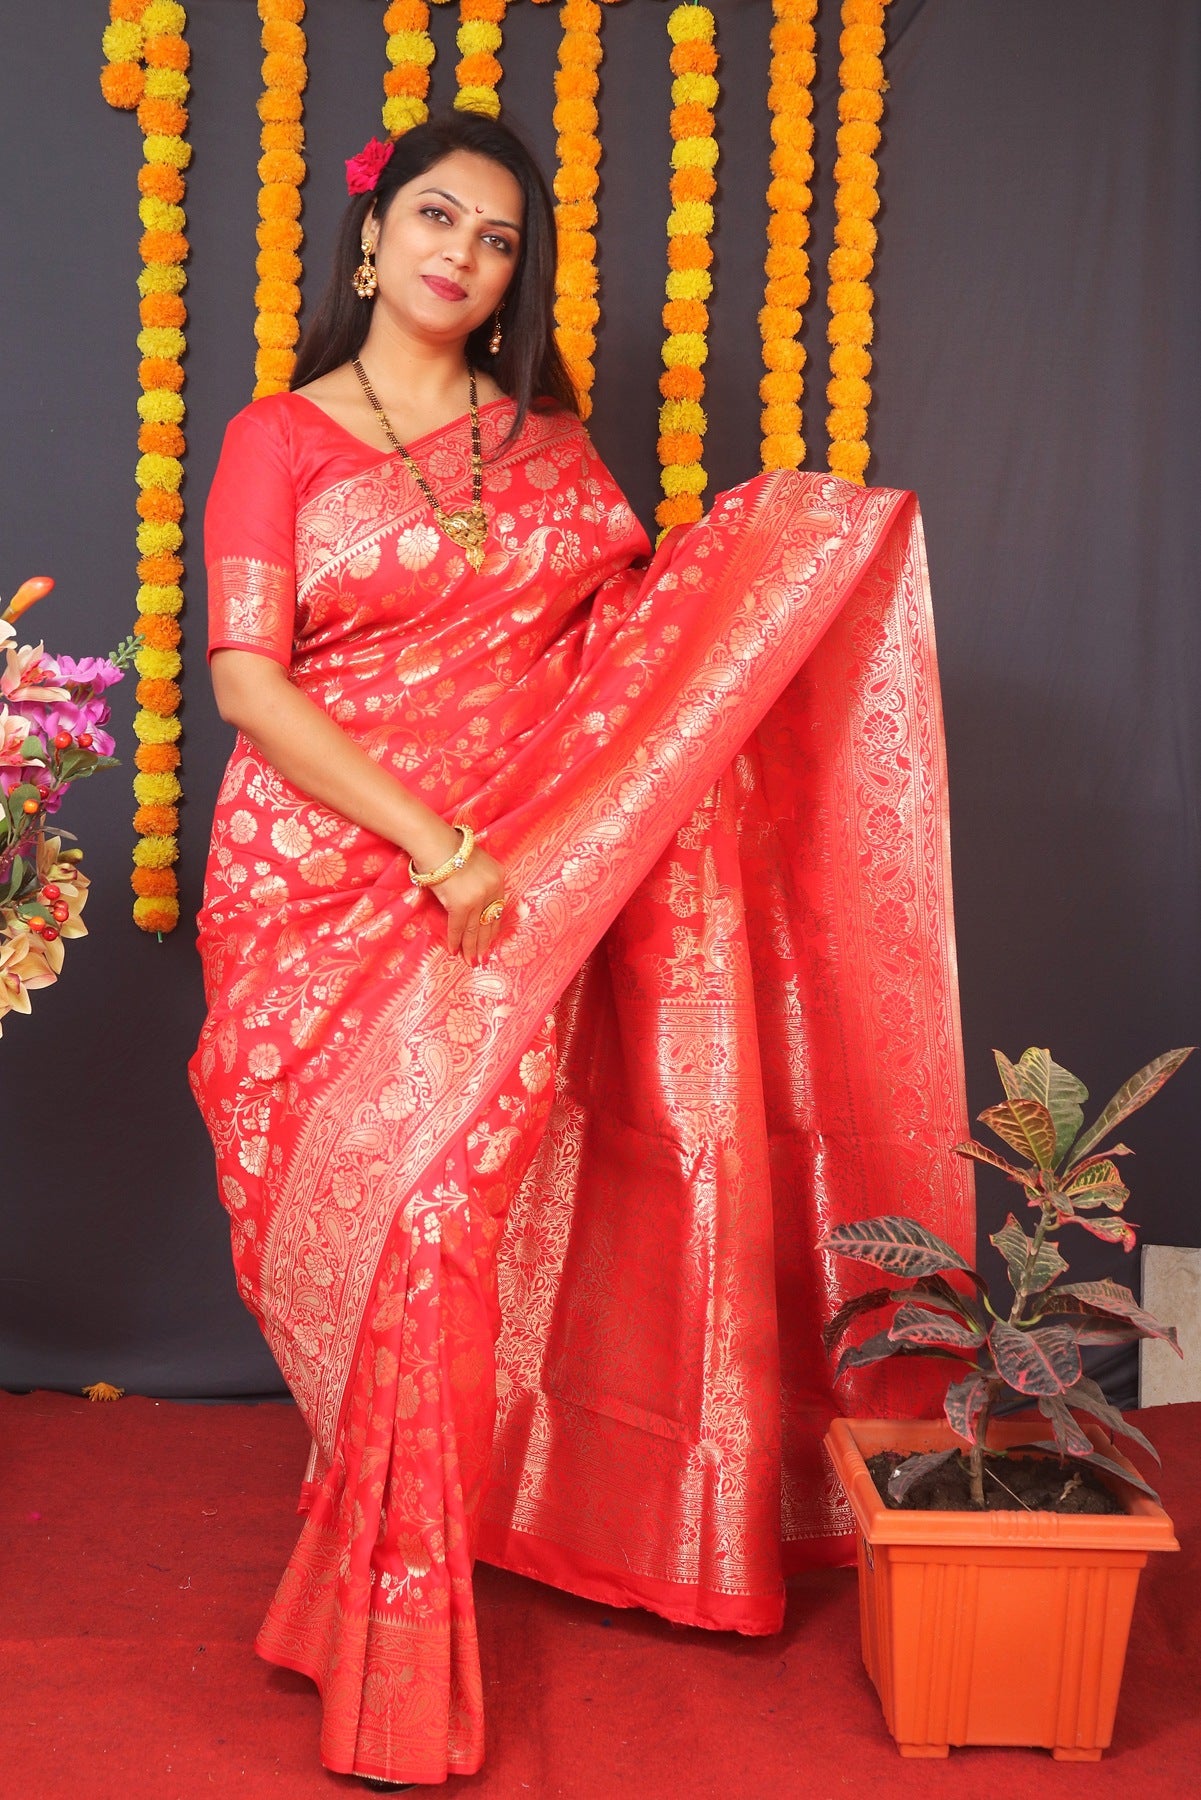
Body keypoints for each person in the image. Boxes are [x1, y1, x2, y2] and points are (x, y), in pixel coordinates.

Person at [191, 110, 972, 1788]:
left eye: (490, 237)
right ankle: (366, 1550)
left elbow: (631, 634)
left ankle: (383, 1643)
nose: (457, 253)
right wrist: (437, 847)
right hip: (327, 885)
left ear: (504, 276)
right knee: (363, 1239)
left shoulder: (544, 445)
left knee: (439, 1233)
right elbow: (249, 680)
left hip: (515, 890)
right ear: (371, 237)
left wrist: (785, 560)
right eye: (434, 216)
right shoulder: (279, 437)